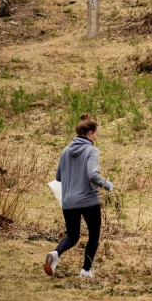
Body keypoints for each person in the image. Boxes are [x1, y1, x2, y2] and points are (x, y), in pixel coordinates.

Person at [44, 114, 114, 278]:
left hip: (68, 201)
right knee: (94, 235)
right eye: (96, 133)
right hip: (89, 200)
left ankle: (55, 253)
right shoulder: (92, 151)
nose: (97, 137)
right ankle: (86, 270)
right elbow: (93, 175)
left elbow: (59, 177)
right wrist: (107, 185)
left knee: (72, 236)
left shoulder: (65, 151)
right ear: (89, 133)